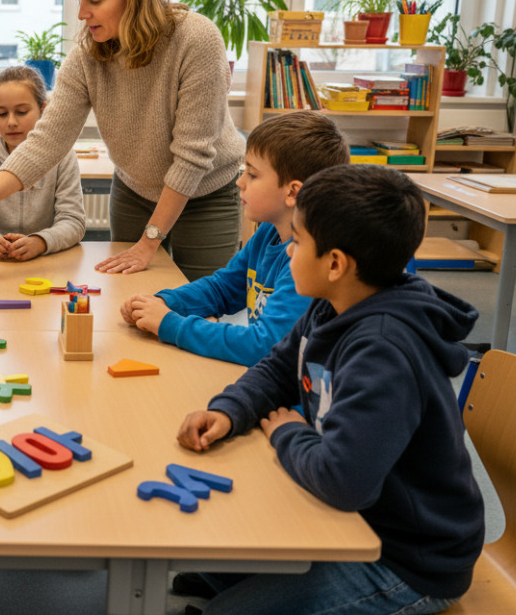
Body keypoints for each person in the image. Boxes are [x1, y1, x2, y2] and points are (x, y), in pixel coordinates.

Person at [176, 164, 484, 615]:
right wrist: (230, 410)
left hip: (405, 559)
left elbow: (344, 482)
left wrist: (287, 433)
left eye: (297, 241)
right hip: (357, 518)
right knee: (216, 552)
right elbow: (280, 365)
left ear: (335, 263)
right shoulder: (334, 303)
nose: (287, 248)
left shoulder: (383, 351)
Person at [0, 0, 244, 281]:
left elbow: (192, 157)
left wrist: (149, 241)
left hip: (205, 194)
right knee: (132, 300)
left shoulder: (196, 40)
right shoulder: (88, 56)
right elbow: (46, 140)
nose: (82, 13)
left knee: (198, 305)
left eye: (93, 0)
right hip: (137, 191)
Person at [121, 111, 349, 366]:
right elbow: (223, 288)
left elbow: (263, 345)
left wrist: (169, 324)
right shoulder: (268, 232)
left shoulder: (309, 261)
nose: (240, 182)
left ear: (292, 192)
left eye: (252, 174)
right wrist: (165, 302)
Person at [0, 65, 85, 261]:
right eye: (2, 114)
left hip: (45, 262)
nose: (11, 122)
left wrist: (40, 242)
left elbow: (72, 221)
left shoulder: (63, 155)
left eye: (21, 112)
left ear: (43, 110)